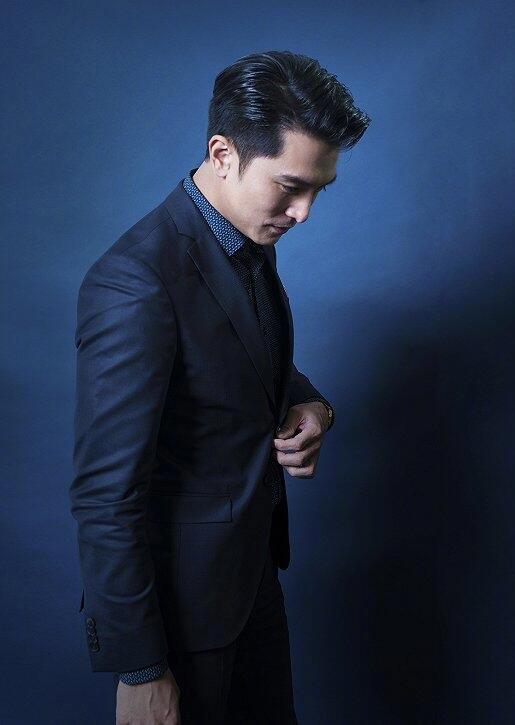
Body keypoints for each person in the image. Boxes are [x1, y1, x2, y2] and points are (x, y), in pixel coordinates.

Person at [69, 49, 371, 724]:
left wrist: (311, 403)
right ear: (223, 154)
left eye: (319, 191)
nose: (304, 213)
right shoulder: (134, 282)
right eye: (291, 186)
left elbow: (233, 357)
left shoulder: (244, 236)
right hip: (179, 624)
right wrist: (140, 668)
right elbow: (104, 496)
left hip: (252, 579)